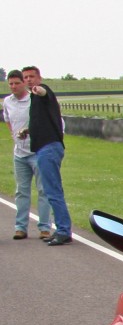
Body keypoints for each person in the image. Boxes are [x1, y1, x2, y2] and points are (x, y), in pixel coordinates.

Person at [21, 66, 72, 245]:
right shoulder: (35, 100)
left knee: (53, 191)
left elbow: (44, 92)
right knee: (51, 191)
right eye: (25, 77)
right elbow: (43, 121)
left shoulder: (43, 92)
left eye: (32, 77)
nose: (28, 80)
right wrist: (27, 130)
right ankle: (62, 229)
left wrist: (38, 89)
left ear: (39, 78)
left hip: (48, 148)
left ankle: (64, 230)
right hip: (44, 147)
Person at [3, 69, 51, 239]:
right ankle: (20, 227)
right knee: (21, 191)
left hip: (37, 151)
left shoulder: (34, 100)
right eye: (11, 84)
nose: (14, 86)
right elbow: (8, 120)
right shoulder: (7, 102)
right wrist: (14, 135)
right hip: (19, 154)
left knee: (43, 190)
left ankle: (45, 227)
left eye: (17, 83)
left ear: (24, 83)